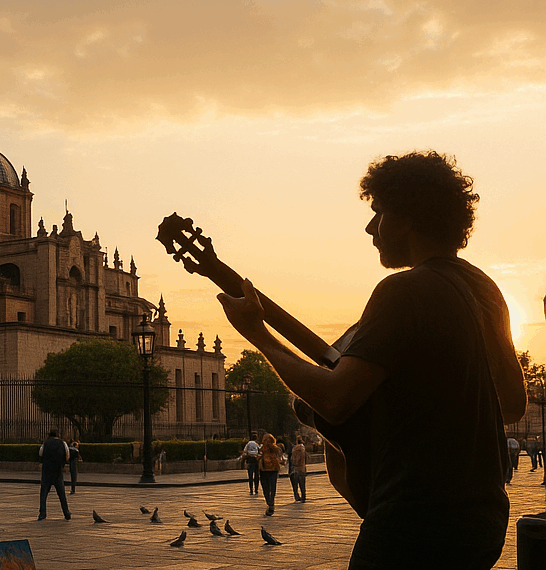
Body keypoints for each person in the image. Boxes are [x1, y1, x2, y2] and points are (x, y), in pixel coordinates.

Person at [217, 151, 525, 568]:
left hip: (414, 522)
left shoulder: (403, 290)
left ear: (407, 217)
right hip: (482, 521)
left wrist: (257, 334)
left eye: (378, 213)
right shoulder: (485, 288)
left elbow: (334, 400)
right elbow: (512, 405)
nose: (370, 227)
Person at [37, 429, 71, 520]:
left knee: (43, 494)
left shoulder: (45, 443)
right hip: (57, 471)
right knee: (61, 494)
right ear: (58, 435)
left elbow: (40, 453)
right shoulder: (62, 443)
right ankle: (66, 513)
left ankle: (42, 514)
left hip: (47, 471)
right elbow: (67, 455)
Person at [258, 433, 281, 516]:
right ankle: (269, 503)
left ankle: (271, 504)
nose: (265, 441)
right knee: (265, 489)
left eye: (267, 440)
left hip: (273, 470)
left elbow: (277, 456)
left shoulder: (275, 449)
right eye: (264, 440)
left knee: (272, 488)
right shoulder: (261, 450)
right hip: (263, 471)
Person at [290, 435, 307, 503]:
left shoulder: (294, 448)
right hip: (301, 467)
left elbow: (292, 458)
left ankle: (296, 496)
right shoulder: (303, 448)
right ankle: (303, 496)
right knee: (302, 483)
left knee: (295, 484)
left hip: (294, 467)